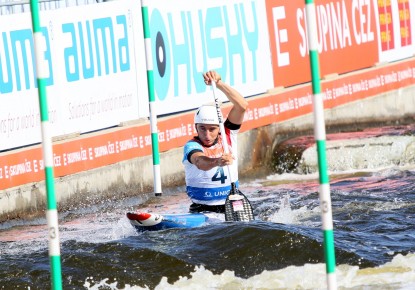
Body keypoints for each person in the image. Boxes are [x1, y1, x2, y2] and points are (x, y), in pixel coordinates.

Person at [182, 70, 248, 213]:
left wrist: (219, 83)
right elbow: (200, 162)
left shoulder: (227, 134)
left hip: (231, 206)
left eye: (212, 129)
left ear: (219, 128)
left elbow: (242, 106)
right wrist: (217, 162)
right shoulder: (192, 146)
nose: (206, 134)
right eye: (202, 129)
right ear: (196, 127)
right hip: (201, 209)